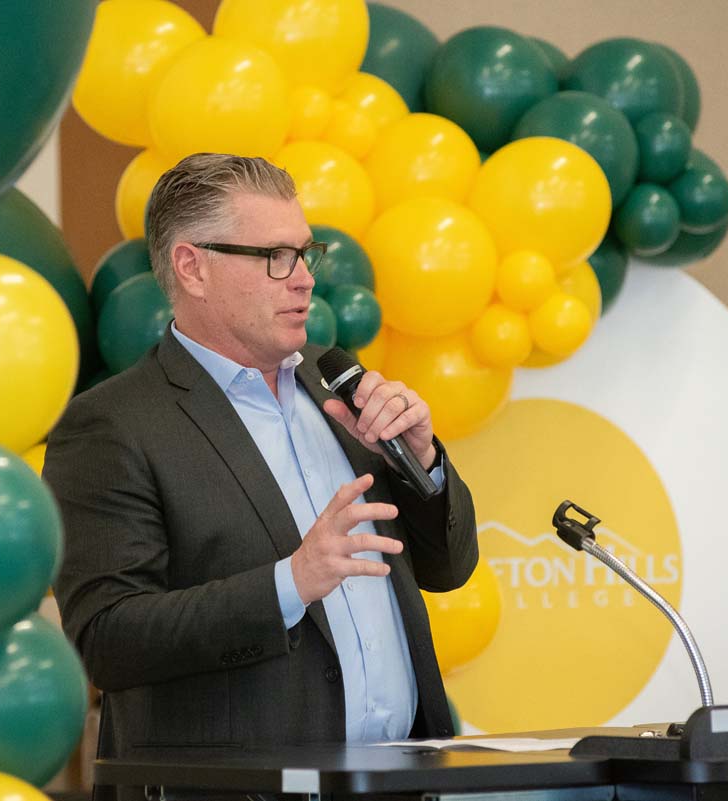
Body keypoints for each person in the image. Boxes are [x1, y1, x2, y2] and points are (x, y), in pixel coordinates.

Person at [43, 153, 479, 785]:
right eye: (276, 256)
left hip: (402, 782)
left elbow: (449, 567)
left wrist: (425, 462)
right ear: (193, 268)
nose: (303, 279)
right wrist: (289, 584)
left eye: (306, 253)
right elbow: (109, 640)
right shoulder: (113, 425)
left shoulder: (339, 384)